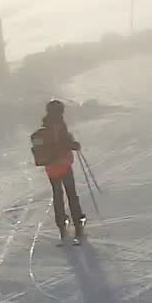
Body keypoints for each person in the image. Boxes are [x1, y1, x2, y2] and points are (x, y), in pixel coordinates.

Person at [30, 100, 86, 241]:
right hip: (64, 165)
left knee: (57, 195)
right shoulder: (59, 126)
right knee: (71, 194)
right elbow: (64, 143)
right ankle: (78, 224)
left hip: (51, 168)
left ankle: (61, 225)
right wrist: (75, 145)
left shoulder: (45, 127)